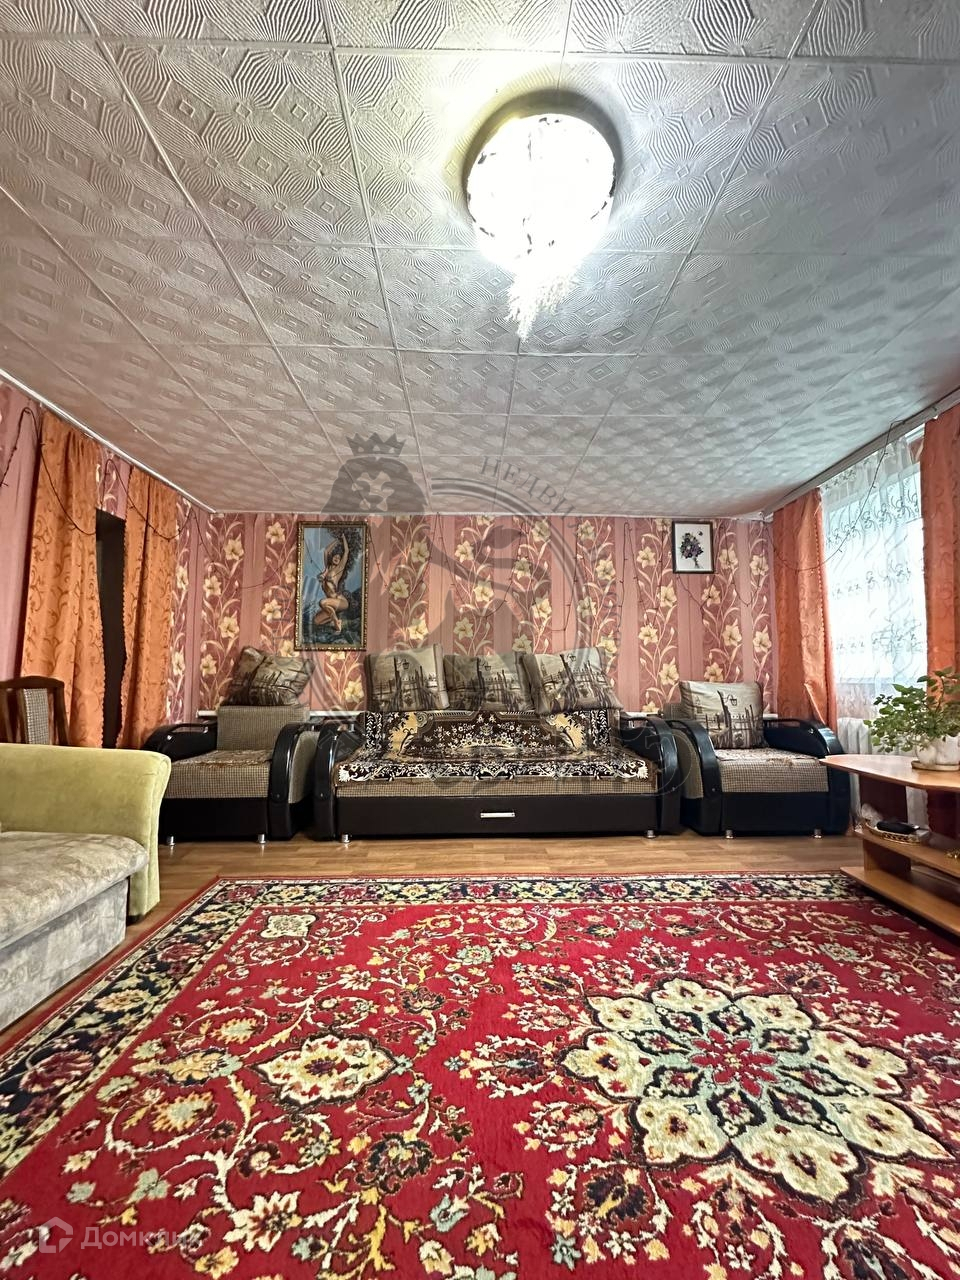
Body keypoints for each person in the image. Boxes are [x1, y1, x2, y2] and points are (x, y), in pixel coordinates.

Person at [313, 531, 350, 634]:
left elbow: (346, 551)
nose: (337, 558)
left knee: (322, 602)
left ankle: (336, 622)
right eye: (335, 556)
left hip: (340, 601)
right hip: (331, 604)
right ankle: (334, 619)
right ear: (332, 557)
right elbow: (326, 551)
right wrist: (336, 540)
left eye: (339, 557)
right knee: (316, 621)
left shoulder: (338, 570)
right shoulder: (327, 569)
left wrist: (343, 537)